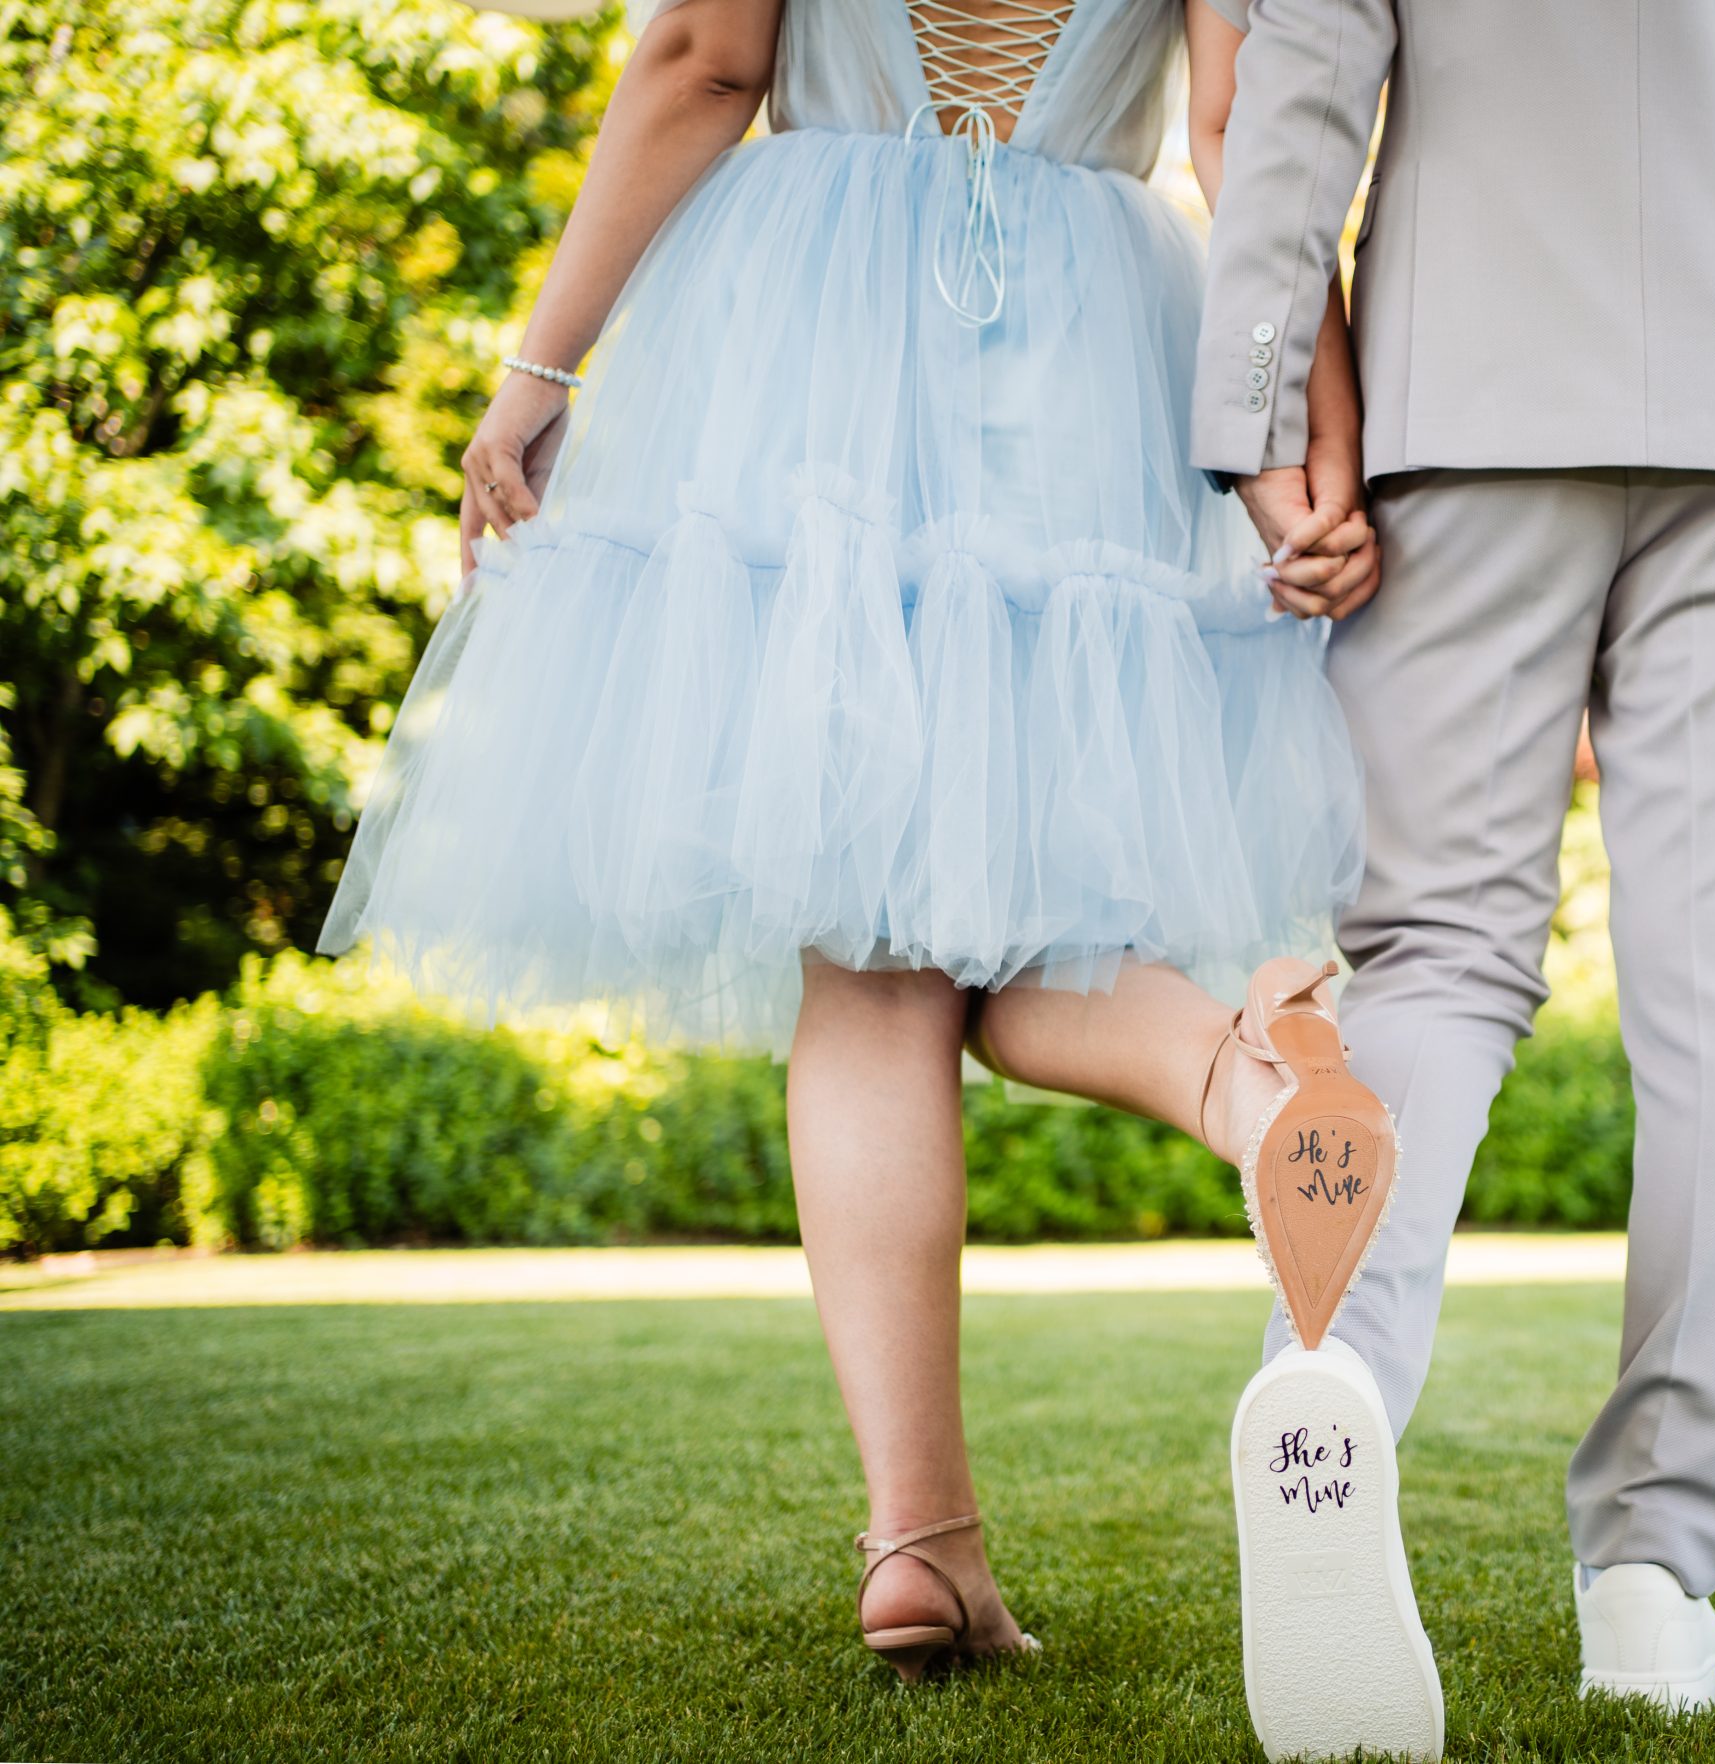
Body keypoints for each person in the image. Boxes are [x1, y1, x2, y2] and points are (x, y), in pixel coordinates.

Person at [318, 0, 1392, 1682]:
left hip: (816, 339)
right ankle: (1250, 1093)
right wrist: (1306, 457)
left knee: (876, 975)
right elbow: (1241, 132)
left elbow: (703, 59)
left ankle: (920, 1543)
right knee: (1031, 911)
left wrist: (541, 370)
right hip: (1090, 347)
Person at [1199, 0, 1715, 1750]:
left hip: (1460, 419)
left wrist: (1261, 415)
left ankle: (1326, 1377)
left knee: (1428, 963)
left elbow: (1294, 90)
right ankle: (1653, 1570)